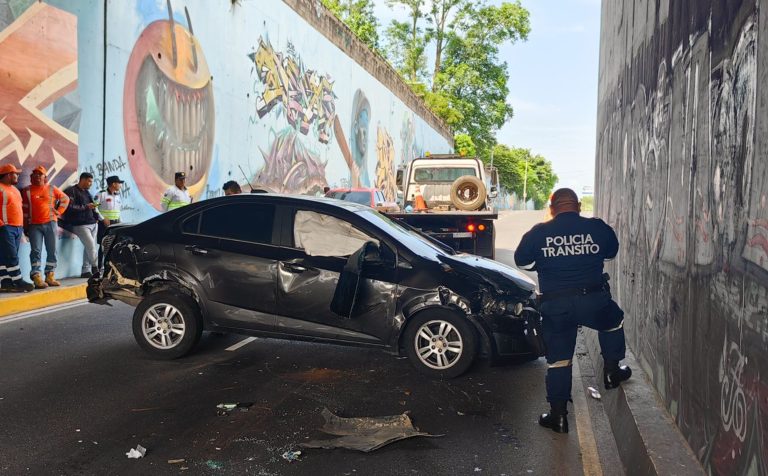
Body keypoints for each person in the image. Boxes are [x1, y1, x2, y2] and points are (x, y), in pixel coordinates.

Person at [514, 188, 631, 434]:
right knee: (613, 321)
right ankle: (611, 372)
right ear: (578, 206)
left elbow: (521, 260)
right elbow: (611, 252)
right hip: (594, 301)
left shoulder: (539, 232)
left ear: (552, 208)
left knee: (559, 359)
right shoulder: (597, 228)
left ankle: (558, 417)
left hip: (556, 307)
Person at [21, 165, 70, 288]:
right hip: (34, 225)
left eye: (40, 174)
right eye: (35, 174)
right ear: (31, 177)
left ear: (45, 177)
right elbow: (25, 210)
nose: (37, 176)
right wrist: (26, 226)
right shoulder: (26, 190)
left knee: (52, 250)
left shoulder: (52, 188)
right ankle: (36, 276)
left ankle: (50, 275)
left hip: (51, 223)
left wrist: (59, 211)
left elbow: (65, 199)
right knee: (36, 251)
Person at [0, 164, 34, 292]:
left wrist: (22, 227)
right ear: (9, 174)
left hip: (17, 228)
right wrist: (1, 224)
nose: (17, 176)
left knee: (4, 256)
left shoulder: (14, 190)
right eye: (15, 174)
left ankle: (6, 282)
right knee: (12, 256)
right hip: (5, 227)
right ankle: (18, 280)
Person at [61, 172, 102, 278]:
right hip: (80, 225)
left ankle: (85, 270)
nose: (90, 183)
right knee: (91, 247)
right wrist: (86, 207)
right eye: (89, 181)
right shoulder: (71, 191)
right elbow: (69, 207)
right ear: (82, 180)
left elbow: (92, 207)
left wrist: (96, 218)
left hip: (92, 223)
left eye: (91, 181)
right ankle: (96, 268)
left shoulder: (87, 193)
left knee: (89, 248)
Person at [94, 175, 124, 273]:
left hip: (116, 223)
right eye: (119, 183)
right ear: (113, 184)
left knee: (114, 245)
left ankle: (110, 268)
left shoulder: (118, 195)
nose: (120, 185)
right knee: (103, 245)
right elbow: (94, 207)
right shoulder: (101, 194)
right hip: (105, 223)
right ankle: (100, 268)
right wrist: (102, 219)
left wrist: (120, 221)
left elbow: (118, 210)